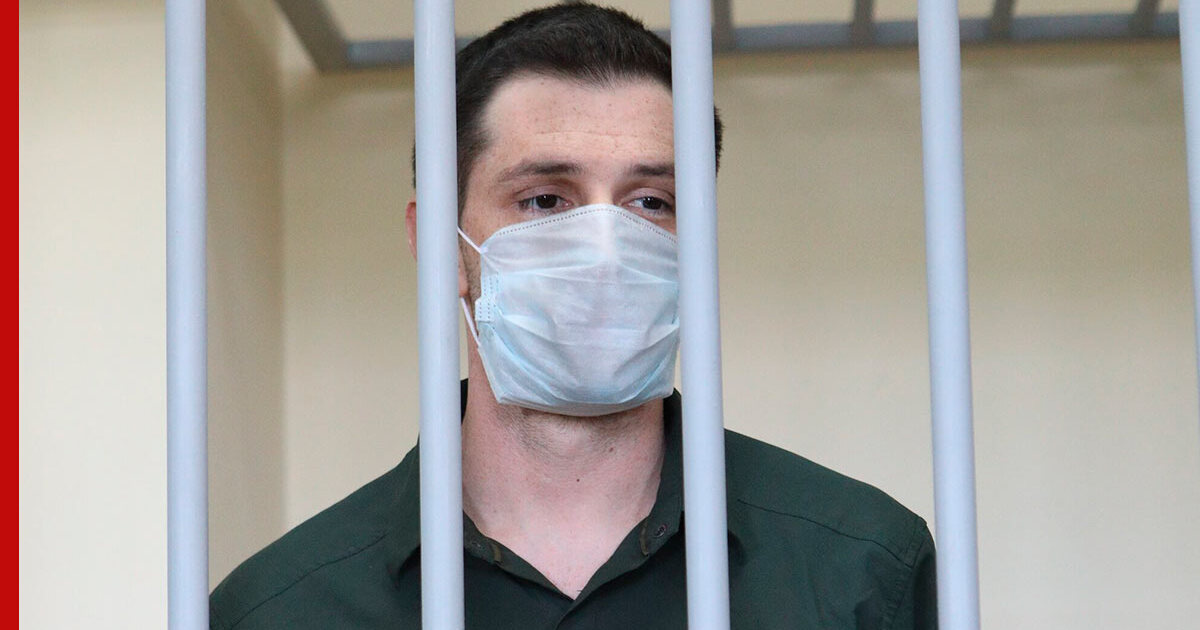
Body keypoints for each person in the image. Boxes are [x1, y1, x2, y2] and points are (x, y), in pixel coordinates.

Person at [209, 4, 937, 629]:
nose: (605, 251)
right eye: (545, 200)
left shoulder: (860, 571)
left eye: (651, 202)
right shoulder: (282, 610)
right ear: (439, 247)